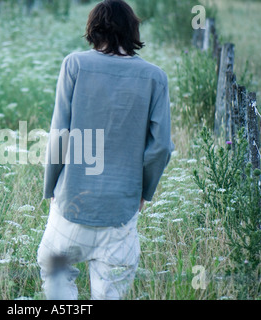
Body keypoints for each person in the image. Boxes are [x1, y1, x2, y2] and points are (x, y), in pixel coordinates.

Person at [37, 0, 175, 300]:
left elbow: (59, 135)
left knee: (55, 273)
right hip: (122, 213)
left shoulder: (74, 64)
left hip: (71, 204)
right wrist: (144, 193)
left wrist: (51, 188)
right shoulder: (155, 77)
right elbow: (161, 147)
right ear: (132, 30)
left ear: (93, 29)